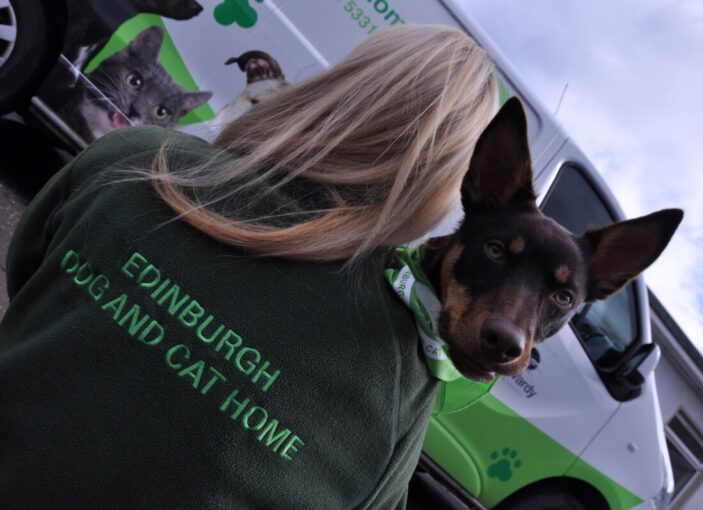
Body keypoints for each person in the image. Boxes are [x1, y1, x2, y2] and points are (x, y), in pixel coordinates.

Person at [0, 25, 498, 508]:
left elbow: (29, 279)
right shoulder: (398, 374)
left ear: (340, 86)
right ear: (440, 188)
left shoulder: (137, 157)